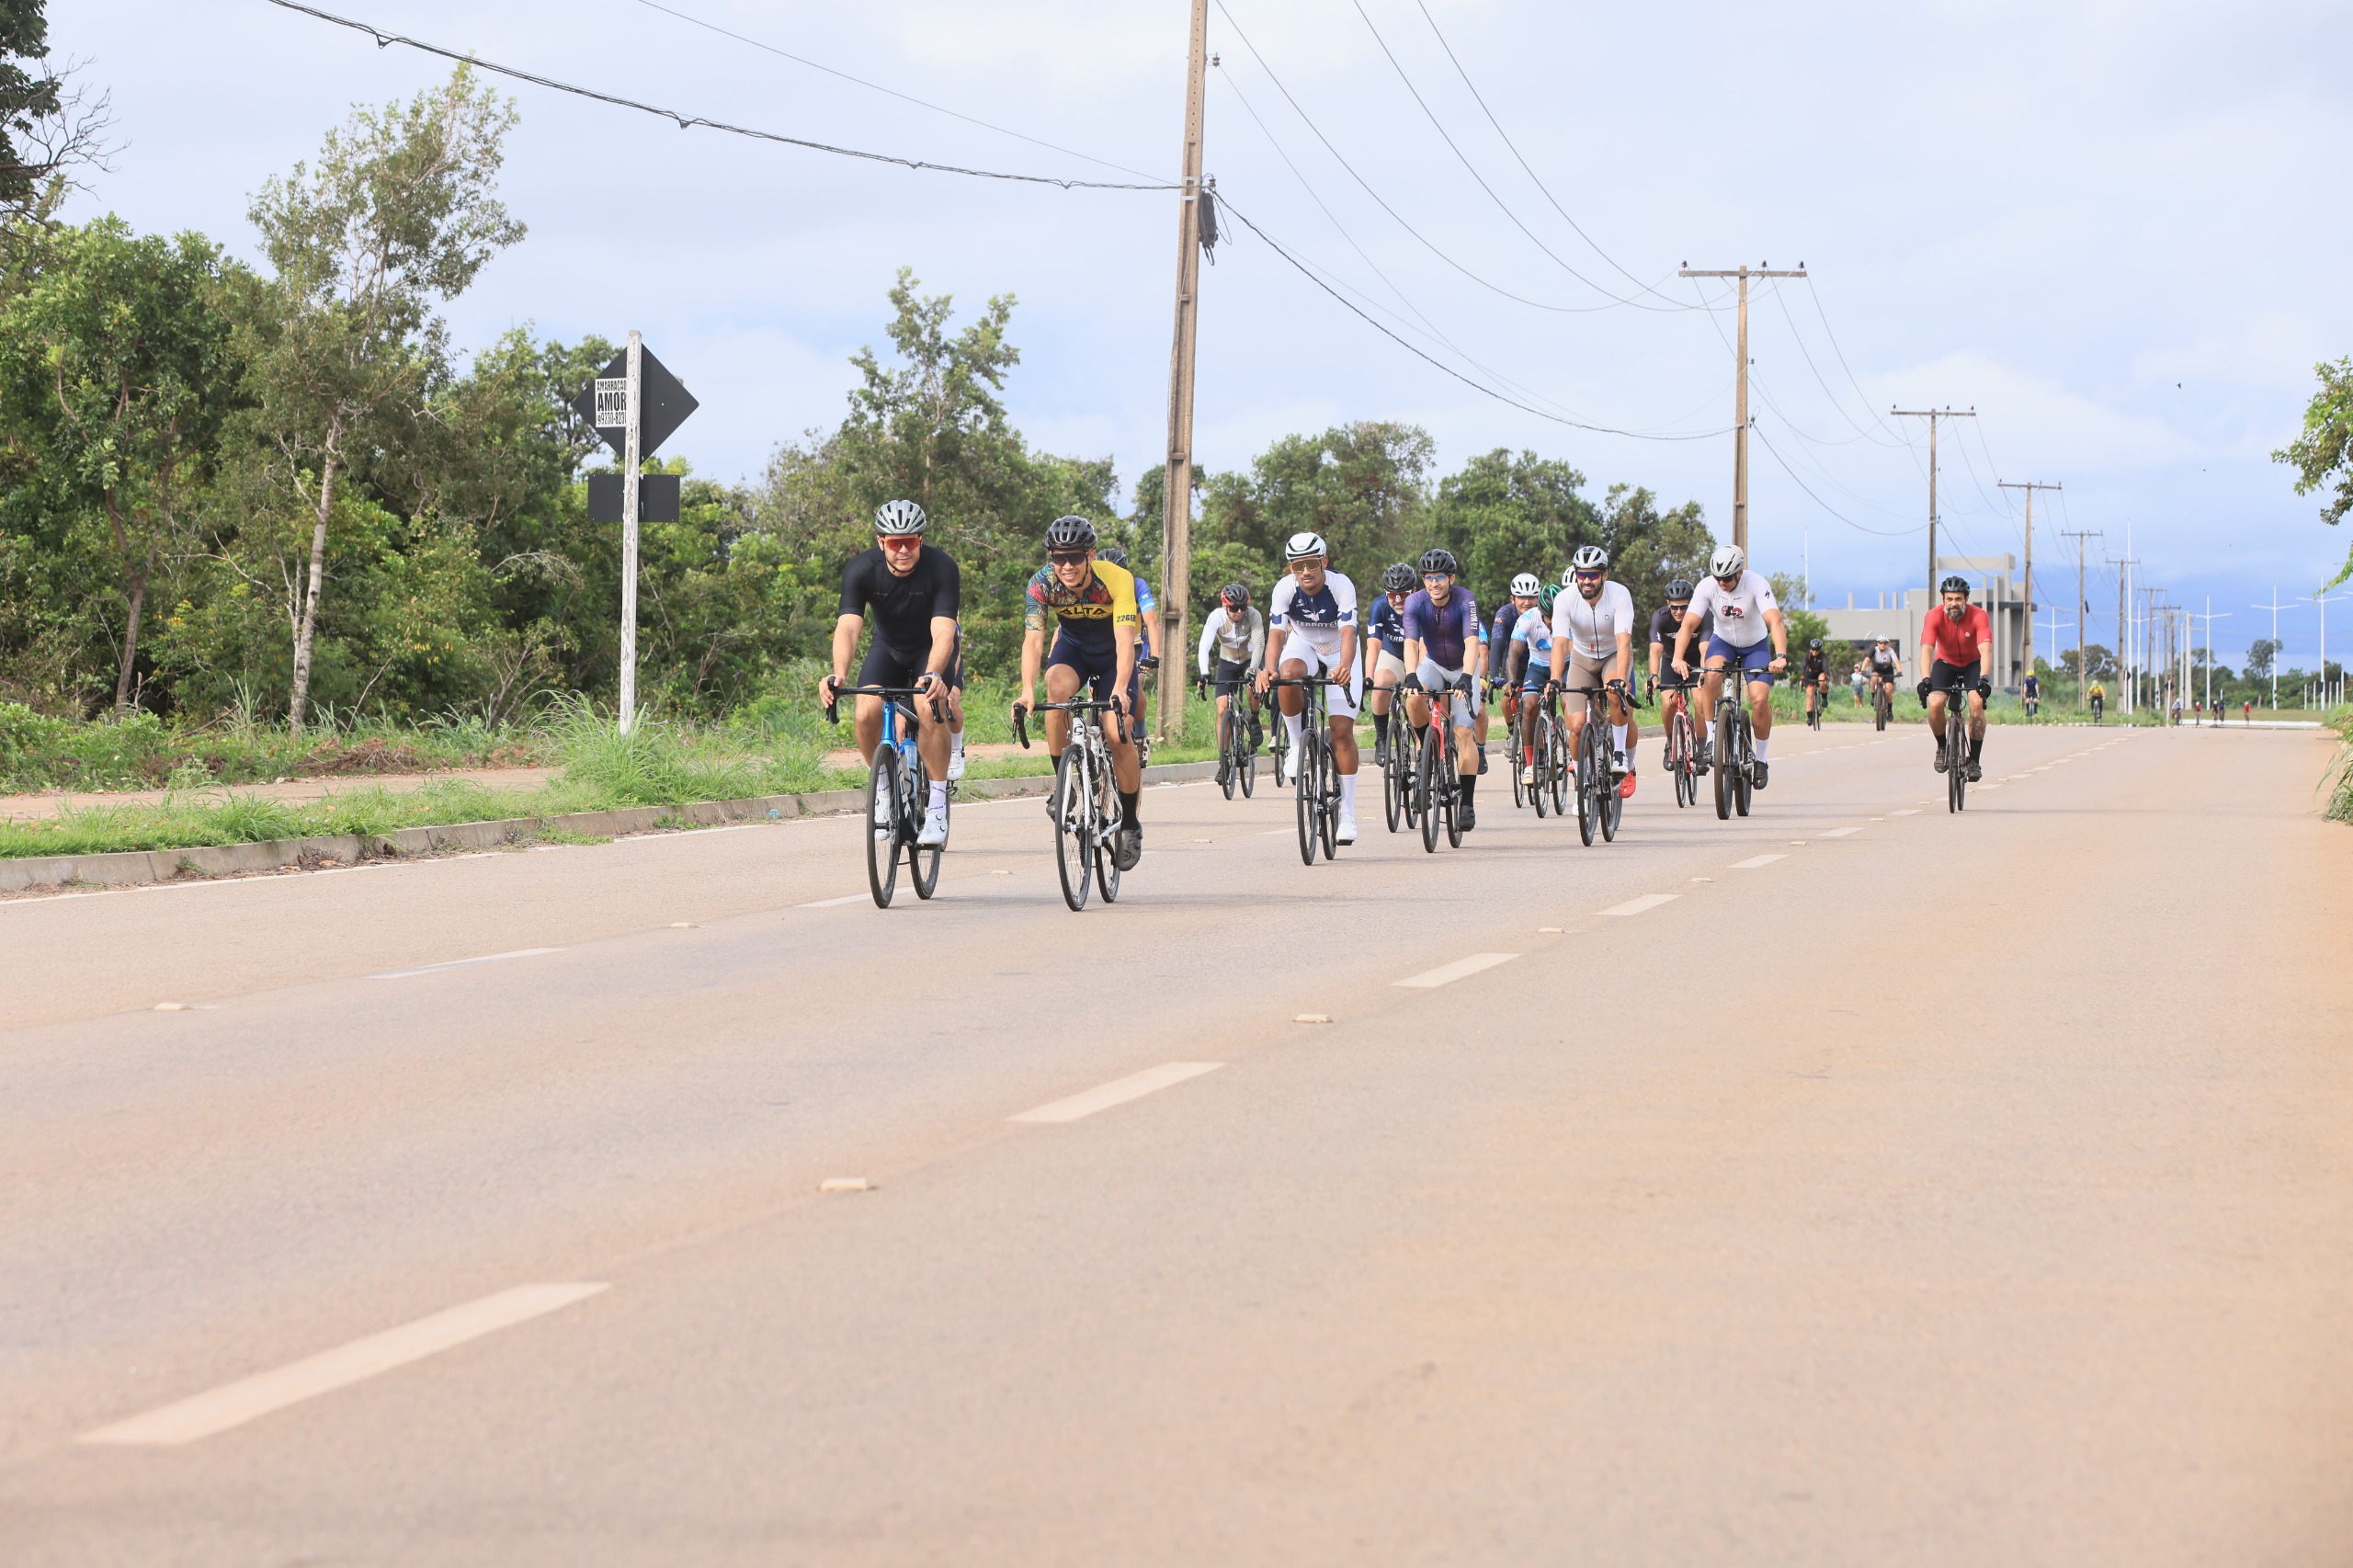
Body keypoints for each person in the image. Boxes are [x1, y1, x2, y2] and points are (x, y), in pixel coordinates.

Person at [820, 499, 961, 846]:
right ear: (881, 541)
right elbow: (849, 628)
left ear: (920, 541)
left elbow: (944, 630)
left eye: (910, 541)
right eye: (895, 542)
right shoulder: (861, 568)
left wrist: (933, 674)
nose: (902, 550)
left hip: (929, 646)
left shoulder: (942, 567)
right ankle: (882, 788)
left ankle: (939, 806)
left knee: (929, 707)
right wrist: (838, 674)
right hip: (888, 648)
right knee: (865, 711)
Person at [1012, 515, 1145, 869]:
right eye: (1058, 558)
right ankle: (1065, 786)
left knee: (1117, 734)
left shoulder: (1116, 579)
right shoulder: (1041, 584)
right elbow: (1034, 640)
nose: (1066, 566)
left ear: (1091, 555)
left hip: (1113, 655)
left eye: (1074, 557)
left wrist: (1120, 688)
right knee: (1055, 692)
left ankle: (1130, 821)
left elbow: (1124, 640)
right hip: (1074, 650)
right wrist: (1027, 691)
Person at [1257, 532, 1364, 844]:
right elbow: (1276, 634)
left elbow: (1348, 632)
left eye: (1311, 564)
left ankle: (1347, 813)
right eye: (1298, 565)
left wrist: (1344, 665)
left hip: (1338, 650)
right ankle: (1294, 745)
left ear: (1324, 563)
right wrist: (1269, 669)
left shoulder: (1341, 586)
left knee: (1341, 730)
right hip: (1303, 642)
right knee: (1287, 674)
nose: (1305, 571)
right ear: (1292, 568)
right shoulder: (1284, 589)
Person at [1672, 544, 1789, 787]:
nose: (1721, 583)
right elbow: (1688, 625)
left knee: (1758, 699)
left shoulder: (1756, 584)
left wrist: (1780, 656)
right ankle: (1713, 738)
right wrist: (1678, 657)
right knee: (1710, 676)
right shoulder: (1707, 586)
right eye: (1718, 578)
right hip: (1723, 642)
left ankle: (1762, 759)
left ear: (1739, 573)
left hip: (1755, 646)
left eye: (1726, 578)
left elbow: (1775, 621)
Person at [1398, 546, 1484, 829]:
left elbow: (1472, 643)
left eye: (1440, 577)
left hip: (1463, 667)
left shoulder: (1465, 600)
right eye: (1428, 577)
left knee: (1462, 733)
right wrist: (1411, 675)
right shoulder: (1415, 603)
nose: (1434, 583)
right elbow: (1411, 642)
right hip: (1433, 664)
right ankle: (1426, 751)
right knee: (1411, 699)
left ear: (1451, 578)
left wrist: (1466, 677)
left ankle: (1468, 804)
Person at [1546, 544, 1641, 796]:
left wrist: (1620, 679)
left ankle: (1621, 757)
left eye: (1593, 575)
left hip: (1612, 654)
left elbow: (1623, 642)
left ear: (1604, 575)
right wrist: (1555, 679)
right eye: (1581, 574)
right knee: (1576, 726)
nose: (1586, 581)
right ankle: (1581, 782)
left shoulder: (1620, 595)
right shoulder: (1565, 599)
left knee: (1614, 693)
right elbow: (1560, 643)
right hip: (1581, 658)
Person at [1915, 574, 1993, 780]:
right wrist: (1925, 679)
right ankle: (1942, 747)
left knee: (1976, 702)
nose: (1953, 604)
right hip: (1945, 663)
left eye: (1958, 599)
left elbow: (1985, 649)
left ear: (1966, 599)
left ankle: (1974, 760)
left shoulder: (1979, 616)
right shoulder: (1933, 616)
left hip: (1972, 664)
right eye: (1949, 599)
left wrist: (1984, 678)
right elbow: (1927, 649)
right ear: (1943, 600)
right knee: (1935, 702)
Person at [1198, 583, 1266, 786]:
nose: (1238, 612)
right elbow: (1204, 645)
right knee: (1221, 709)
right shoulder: (1216, 617)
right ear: (1224, 606)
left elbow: (1260, 643)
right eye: (1234, 608)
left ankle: (1254, 718)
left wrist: (1253, 671)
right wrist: (1204, 674)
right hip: (1227, 662)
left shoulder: (1253, 615)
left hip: (1250, 659)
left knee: (1251, 686)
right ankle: (1224, 761)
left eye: (1242, 608)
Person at [1490, 573, 1543, 773]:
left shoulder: (1545, 612)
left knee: (1538, 706)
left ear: (1538, 598)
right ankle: (1512, 731)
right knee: (1508, 695)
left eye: (1531, 597)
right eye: (1522, 597)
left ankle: (1549, 732)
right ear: (1513, 599)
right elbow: (1496, 644)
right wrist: (1495, 675)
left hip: (1539, 659)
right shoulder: (1505, 614)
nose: (1527, 602)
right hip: (1516, 660)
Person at [1363, 562, 1415, 766]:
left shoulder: (1424, 604)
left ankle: (1424, 753)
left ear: (1415, 591)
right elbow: (1373, 646)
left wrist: (1416, 676)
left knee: (1423, 693)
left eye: (1404, 593)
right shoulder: (1380, 606)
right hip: (1392, 654)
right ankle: (1382, 738)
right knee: (1381, 680)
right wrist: (1369, 676)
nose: (1398, 599)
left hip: (1419, 655)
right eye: (1392, 594)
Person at [1649, 578, 1711, 744]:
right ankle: (1670, 743)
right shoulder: (1660, 617)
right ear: (1667, 603)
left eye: (1683, 607)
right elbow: (1655, 650)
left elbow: (1705, 647)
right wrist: (1654, 675)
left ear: (1691, 604)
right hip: (1672, 662)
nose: (1678, 611)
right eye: (1674, 607)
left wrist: (1704, 671)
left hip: (1697, 662)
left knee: (1700, 702)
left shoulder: (1703, 616)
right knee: (1668, 704)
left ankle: (1701, 749)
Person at [1509, 585, 1561, 785]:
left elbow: (1575, 652)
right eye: (1549, 618)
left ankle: (1562, 736)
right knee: (1529, 705)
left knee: (1569, 700)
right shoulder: (1528, 619)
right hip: (1538, 666)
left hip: (1565, 665)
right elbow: (1514, 653)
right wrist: (1513, 680)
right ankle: (1530, 764)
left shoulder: (1569, 617)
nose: (1552, 624)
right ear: (1541, 612)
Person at [1867, 638, 1904, 710]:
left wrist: (1899, 671)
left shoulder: (1890, 651)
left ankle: (1890, 710)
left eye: (1885, 643)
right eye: (1881, 643)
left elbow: (1896, 661)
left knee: (1888, 691)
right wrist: (1863, 670)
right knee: (1873, 679)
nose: (1882, 645)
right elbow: (1867, 659)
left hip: (1888, 671)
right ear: (1878, 643)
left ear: (1887, 644)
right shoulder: (1874, 650)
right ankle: (1873, 697)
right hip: (1877, 669)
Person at [1802, 638, 1829, 722]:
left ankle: (1824, 698)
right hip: (1810, 674)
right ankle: (1810, 717)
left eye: (1816, 650)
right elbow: (1803, 666)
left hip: (1820, 673)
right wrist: (1802, 677)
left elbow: (1825, 667)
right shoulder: (1808, 655)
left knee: (1822, 680)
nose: (1814, 652)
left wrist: (1826, 677)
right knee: (1809, 694)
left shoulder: (1823, 656)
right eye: (1813, 649)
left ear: (1819, 650)